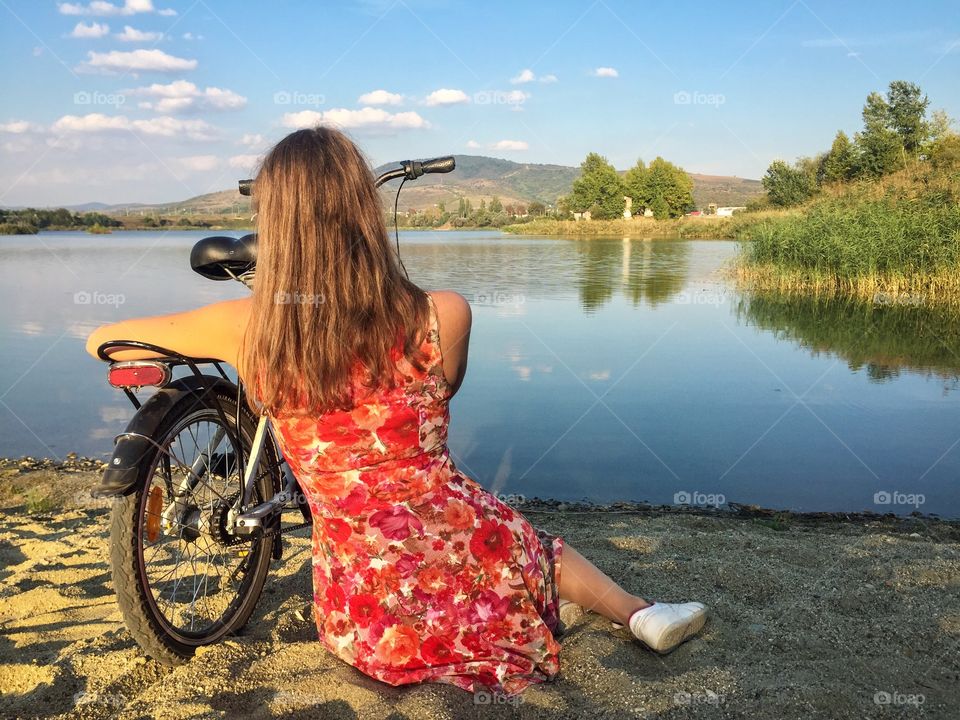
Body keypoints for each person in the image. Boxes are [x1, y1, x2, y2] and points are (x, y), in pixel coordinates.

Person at [85, 126, 707, 697]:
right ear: (364, 210)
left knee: (491, 541)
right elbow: (446, 391)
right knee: (521, 540)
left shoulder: (245, 327)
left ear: (270, 220)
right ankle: (639, 614)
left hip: (363, 618)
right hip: (451, 530)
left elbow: (100, 339)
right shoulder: (445, 313)